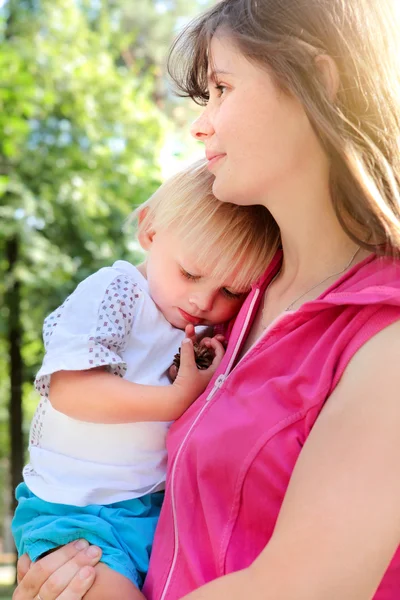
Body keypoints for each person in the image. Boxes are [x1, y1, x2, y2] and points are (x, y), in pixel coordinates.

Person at [12, 0, 400, 598]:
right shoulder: (232, 303)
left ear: (317, 83)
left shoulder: (384, 330)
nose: (200, 124)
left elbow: (305, 586)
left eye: (222, 87)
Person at [11, 159, 274, 600]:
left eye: (232, 291)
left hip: (152, 509)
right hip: (74, 511)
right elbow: (70, 390)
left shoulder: (200, 329)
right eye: (191, 273)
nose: (203, 300)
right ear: (150, 232)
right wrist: (175, 400)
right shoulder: (117, 292)